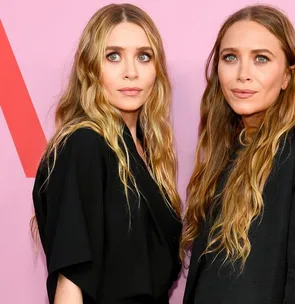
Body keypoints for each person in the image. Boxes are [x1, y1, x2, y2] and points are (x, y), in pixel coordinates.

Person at [181, 5, 295, 304]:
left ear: (287, 76)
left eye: (261, 59)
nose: (243, 74)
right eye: (230, 57)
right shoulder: (224, 153)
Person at [32, 3, 182, 304]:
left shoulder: (146, 149)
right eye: (113, 56)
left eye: (143, 56)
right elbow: (71, 280)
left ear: (157, 68)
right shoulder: (84, 145)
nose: (131, 72)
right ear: (90, 67)